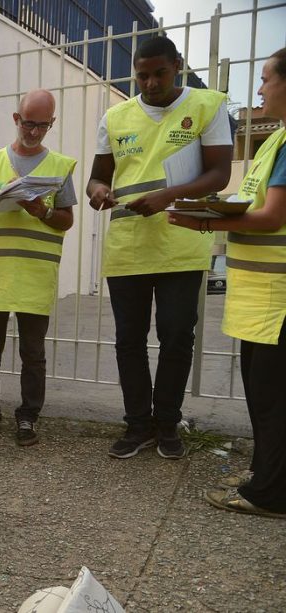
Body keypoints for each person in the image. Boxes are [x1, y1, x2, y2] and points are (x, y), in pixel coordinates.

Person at [86, 36, 233, 460]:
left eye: (159, 73)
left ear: (178, 66)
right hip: (128, 247)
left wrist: (168, 197)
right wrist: (98, 192)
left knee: (175, 338)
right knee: (129, 341)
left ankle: (167, 422)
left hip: (180, 243)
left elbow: (220, 173)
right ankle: (137, 426)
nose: (149, 83)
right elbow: (99, 177)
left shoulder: (206, 106)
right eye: (142, 75)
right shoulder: (115, 117)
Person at [169, 48, 286, 519]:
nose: (259, 91)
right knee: (264, 400)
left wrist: (206, 223)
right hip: (261, 301)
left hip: (277, 302)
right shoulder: (275, 143)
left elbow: (274, 215)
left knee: (274, 404)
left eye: (265, 80)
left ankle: (269, 496)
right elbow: (254, 203)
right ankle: (265, 478)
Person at [0, 89, 77, 447]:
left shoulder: (60, 166)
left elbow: (66, 221)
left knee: (33, 353)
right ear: (16, 119)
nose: (33, 132)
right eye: (28, 123)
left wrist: (42, 210)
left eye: (42, 126)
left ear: (51, 124)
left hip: (34, 274)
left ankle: (28, 416)